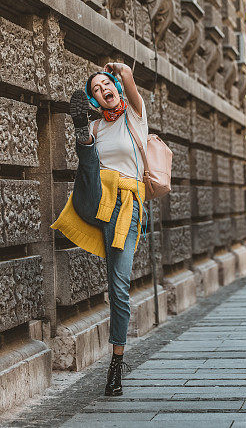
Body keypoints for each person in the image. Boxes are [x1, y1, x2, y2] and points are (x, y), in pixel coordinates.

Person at [51, 62, 147, 396]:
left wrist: (115, 70)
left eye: (106, 85)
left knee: (118, 287)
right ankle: (80, 132)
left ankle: (116, 364)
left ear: (116, 88)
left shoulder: (134, 115)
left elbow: (130, 79)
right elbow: (88, 170)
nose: (102, 90)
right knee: (87, 153)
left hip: (127, 208)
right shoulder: (98, 127)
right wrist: (88, 130)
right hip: (97, 197)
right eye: (95, 89)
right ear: (93, 101)